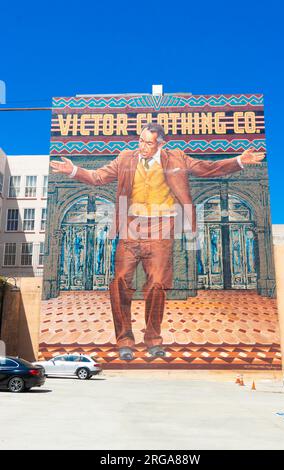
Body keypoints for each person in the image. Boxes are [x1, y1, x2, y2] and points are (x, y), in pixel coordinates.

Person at [50, 123, 264, 361]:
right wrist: (73, 170)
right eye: (140, 140)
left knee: (157, 285)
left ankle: (152, 339)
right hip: (131, 228)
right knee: (120, 282)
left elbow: (207, 168)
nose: (142, 146)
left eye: (148, 142)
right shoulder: (125, 158)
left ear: (161, 143)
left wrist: (239, 161)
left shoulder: (177, 158)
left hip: (162, 229)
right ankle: (124, 340)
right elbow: (98, 176)